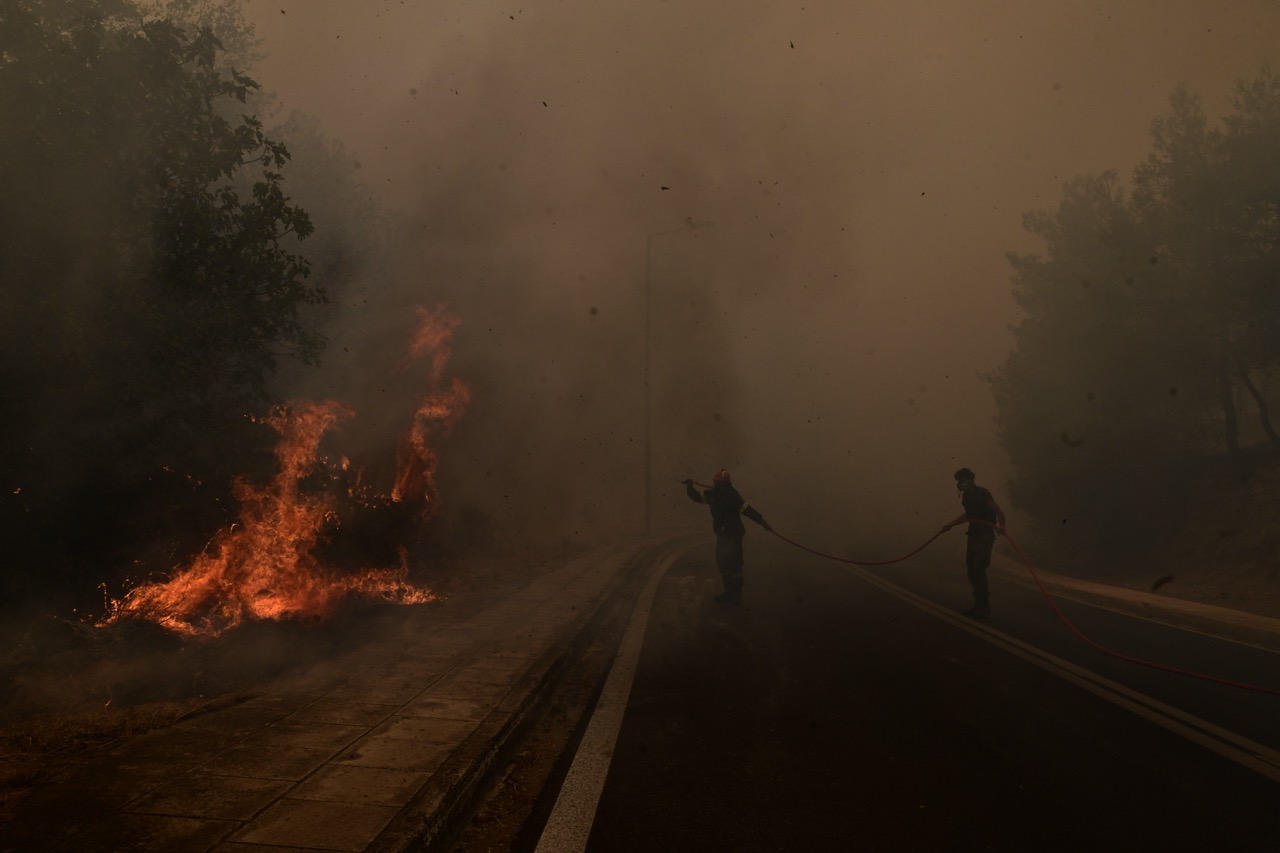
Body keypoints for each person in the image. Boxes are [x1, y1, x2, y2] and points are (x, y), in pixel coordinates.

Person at [684, 468, 772, 604]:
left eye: (718, 482)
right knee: (723, 563)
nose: (715, 484)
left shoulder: (732, 496)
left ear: (724, 483)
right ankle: (729, 592)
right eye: (715, 481)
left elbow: (746, 509)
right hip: (723, 534)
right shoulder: (713, 494)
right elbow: (696, 496)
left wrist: (762, 521)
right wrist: (690, 487)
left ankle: (735, 595)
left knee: (734, 564)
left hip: (734, 534)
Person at [941, 467, 1006, 618]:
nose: (961, 483)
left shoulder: (982, 493)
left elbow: (997, 509)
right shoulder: (966, 497)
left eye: (963, 480)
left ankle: (984, 608)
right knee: (971, 569)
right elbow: (969, 515)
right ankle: (978, 605)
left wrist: (1002, 526)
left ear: (970, 479)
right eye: (959, 481)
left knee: (978, 570)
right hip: (973, 535)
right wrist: (950, 524)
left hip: (985, 535)